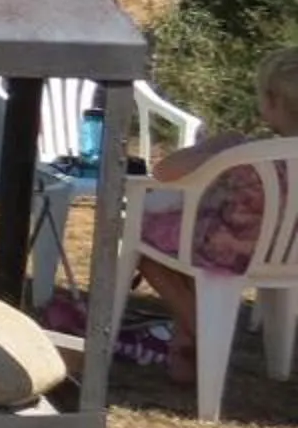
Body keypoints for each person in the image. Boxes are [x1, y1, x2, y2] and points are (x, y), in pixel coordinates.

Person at [116, 49, 298, 381]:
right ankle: (189, 349)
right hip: (287, 258)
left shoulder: (245, 152)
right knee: (187, 240)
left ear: (271, 100)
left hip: (229, 252)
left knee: (148, 246)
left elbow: (165, 171)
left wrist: (212, 148)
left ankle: (198, 325)